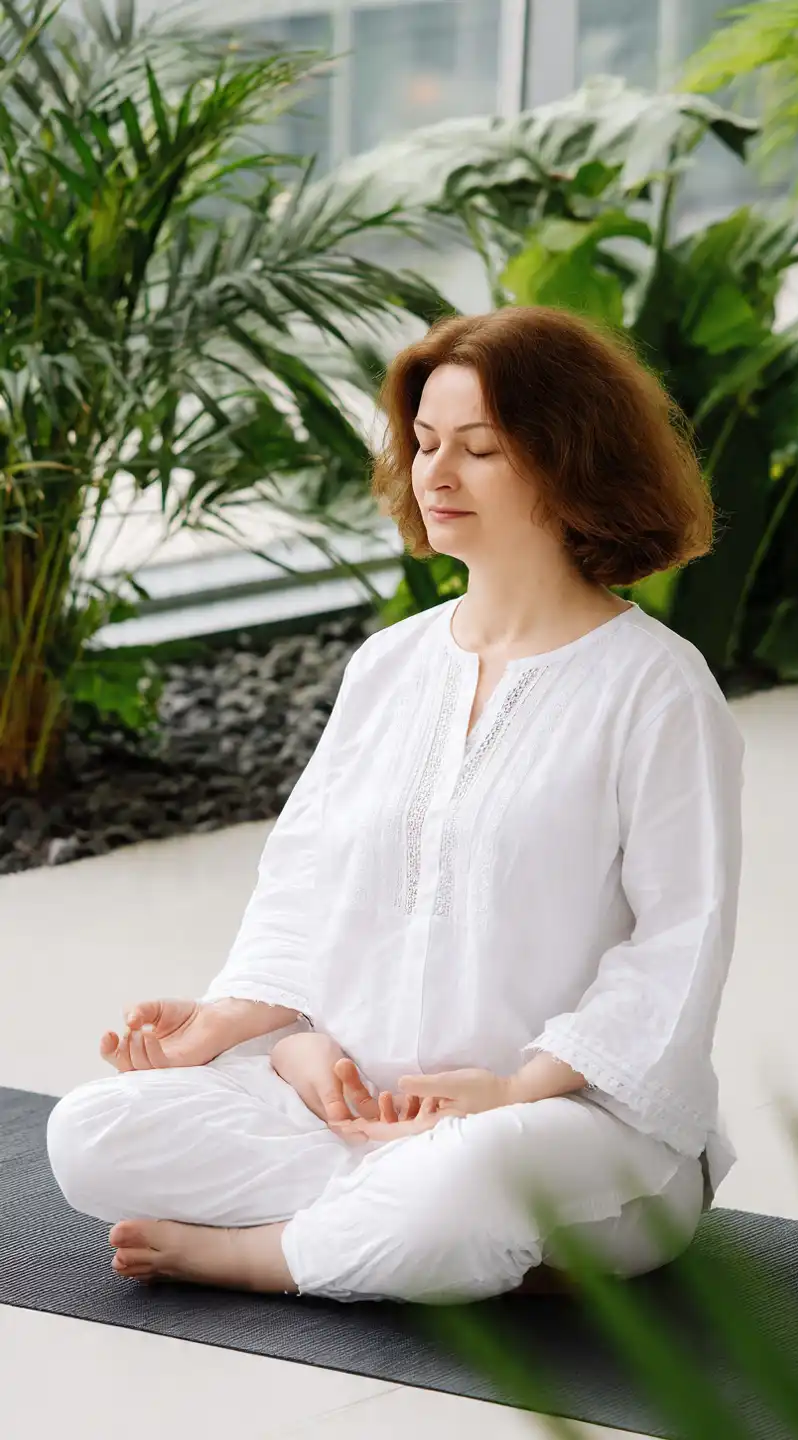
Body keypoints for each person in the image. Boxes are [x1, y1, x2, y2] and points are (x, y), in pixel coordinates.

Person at [46, 306, 745, 1304]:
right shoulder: (390, 666)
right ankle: (420, 1239)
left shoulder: (656, 687)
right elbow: (306, 882)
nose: (436, 475)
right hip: (356, 1110)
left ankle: (267, 1254)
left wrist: (510, 1090)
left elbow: (681, 945)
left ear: (568, 462)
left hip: (564, 1119)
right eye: (424, 444)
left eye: (480, 449)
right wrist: (262, 1036)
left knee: (463, 1180)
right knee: (90, 1133)